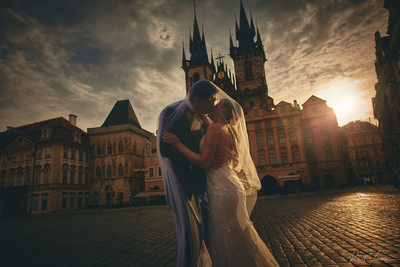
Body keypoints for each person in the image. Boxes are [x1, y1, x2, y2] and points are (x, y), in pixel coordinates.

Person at [163, 83, 280, 267]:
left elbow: (203, 161)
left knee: (223, 238)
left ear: (223, 109)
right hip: (229, 184)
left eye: (216, 104)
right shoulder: (221, 129)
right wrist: (201, 114)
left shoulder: (215, 129)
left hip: (221, 190)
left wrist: (177, 144)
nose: (213, 104)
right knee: (237, 235)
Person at [157, 80, 217, 267]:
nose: (213, 105)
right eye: (211, 100)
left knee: (198, 231)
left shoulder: (194, 113)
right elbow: (165, 148)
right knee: (192, 233)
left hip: (193, 181)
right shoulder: (180, 114)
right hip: (185, 180)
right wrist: (191, 148)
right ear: (198, 99)